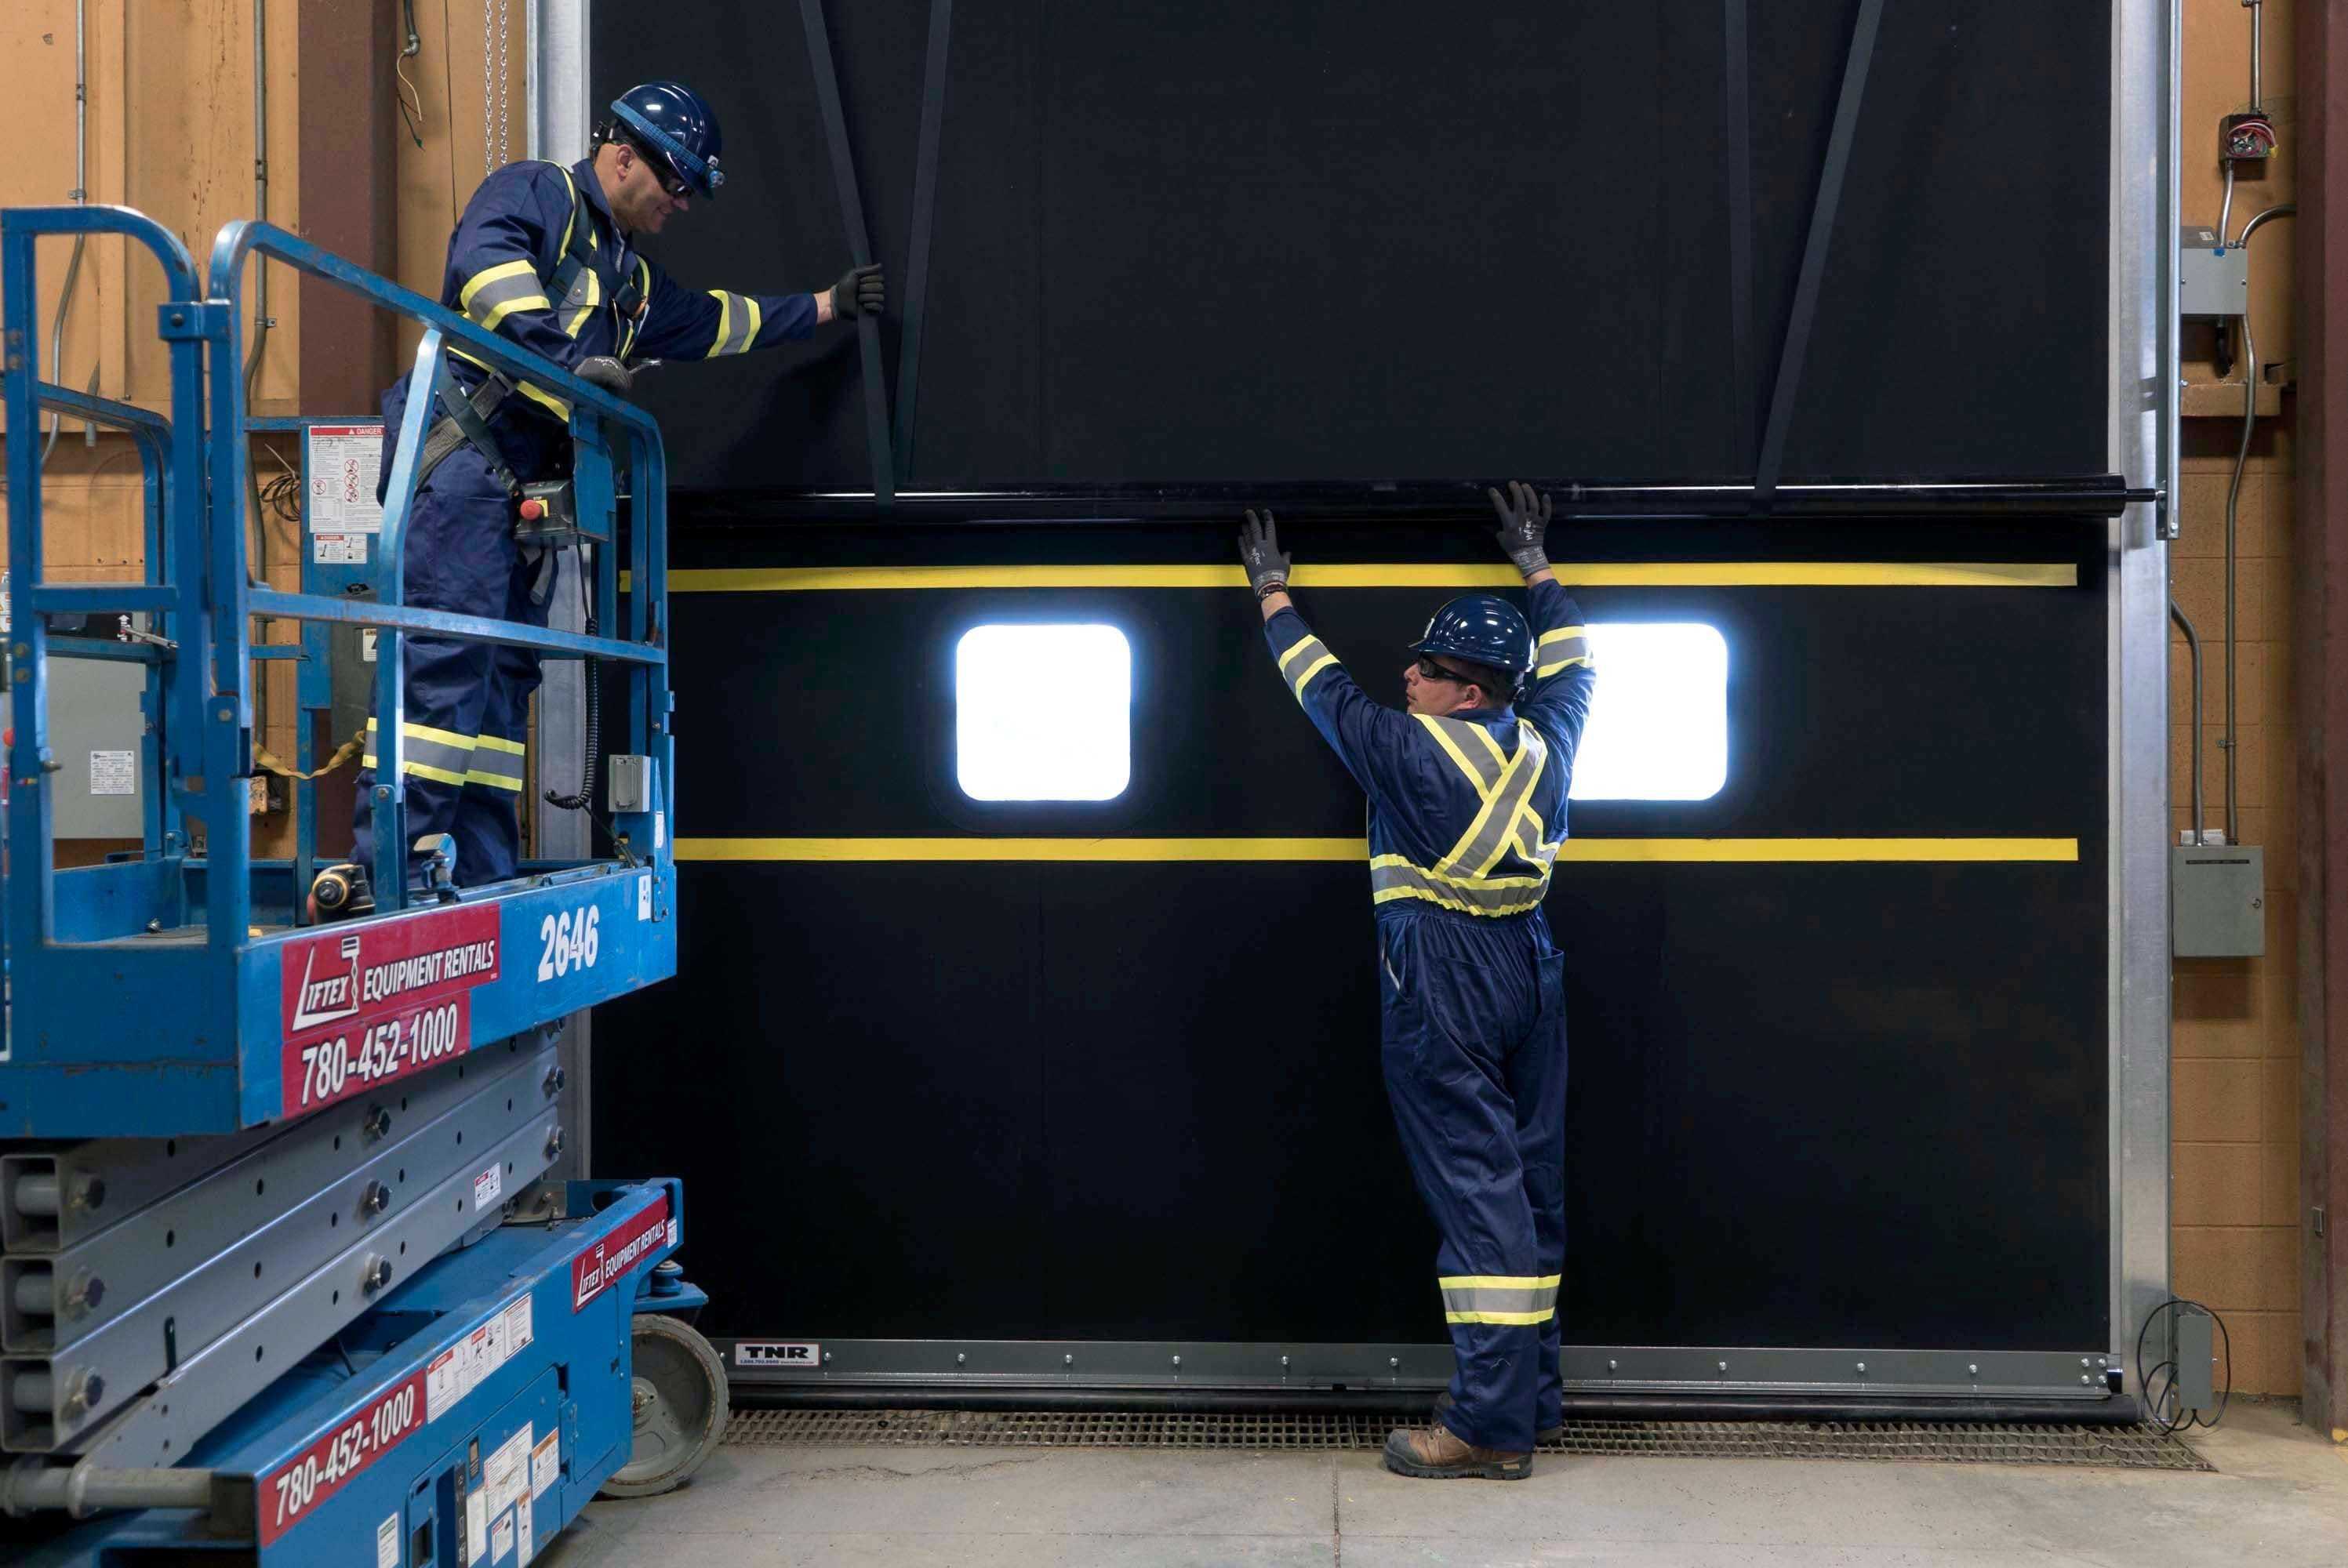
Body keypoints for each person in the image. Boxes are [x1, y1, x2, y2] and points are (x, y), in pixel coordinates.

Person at [320, 80, 885, 911]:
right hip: (462, 468)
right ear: (623, 156)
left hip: (515, 491)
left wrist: (825, 306)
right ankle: (381, 872)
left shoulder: (633, 279)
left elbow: (712, 321)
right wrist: (567, 368)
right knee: (447, 662)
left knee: (503, 676)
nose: (680, 204)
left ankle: (479, 866)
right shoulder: (534, 193)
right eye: (676, 183)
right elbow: (485, 273)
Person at [1238, 483, 1597, 1479]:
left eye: (1429, 668)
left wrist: (1272, 591)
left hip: (1444, 974)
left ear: (1470, 690)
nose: (1408, 676)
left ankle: (1485, 1426)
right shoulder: (1549, 734)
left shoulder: (1404, 749)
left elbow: (1321, 686)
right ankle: (1534, 1396)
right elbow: (1577, 656)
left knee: (1481, 1196)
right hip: (1532, 963)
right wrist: (1536, 562)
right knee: (1531, 1186)